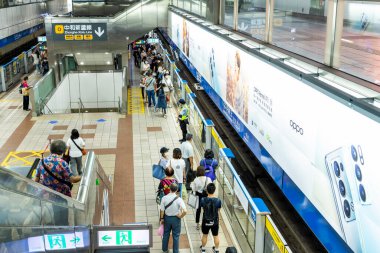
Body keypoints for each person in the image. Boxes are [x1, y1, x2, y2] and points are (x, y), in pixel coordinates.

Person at [34, 140, 81, 225]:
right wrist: (82, 177)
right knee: (62, 213)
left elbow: (36, 178)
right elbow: (72, 179)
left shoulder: (42, 161)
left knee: (50, 212)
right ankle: (63, 226)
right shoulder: (62, 163)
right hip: (61, 195)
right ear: (62, 151)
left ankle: (52, 225)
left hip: (46, 194)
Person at [160, 183, 187, 253]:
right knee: (176, 236)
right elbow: (185, 211)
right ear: (177, 190)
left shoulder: (164, 198)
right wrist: (181, 216)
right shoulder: (179, 199)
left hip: (167, 218)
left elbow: (162, 210)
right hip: (176, 219)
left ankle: (164, 249)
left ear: (169, 189)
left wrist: (162, 219)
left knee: (166, 234)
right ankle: (175, 251)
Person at [200, 183, 222, 253]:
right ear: (214, 190)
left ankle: (203, 249)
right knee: (216, 236)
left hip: (205, 221)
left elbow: (203, 209)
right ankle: (216, 249)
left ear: (207, 191)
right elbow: (218, 211)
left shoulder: (203, 199)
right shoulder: (218, 200)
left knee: (205, 235)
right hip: (215, 221)